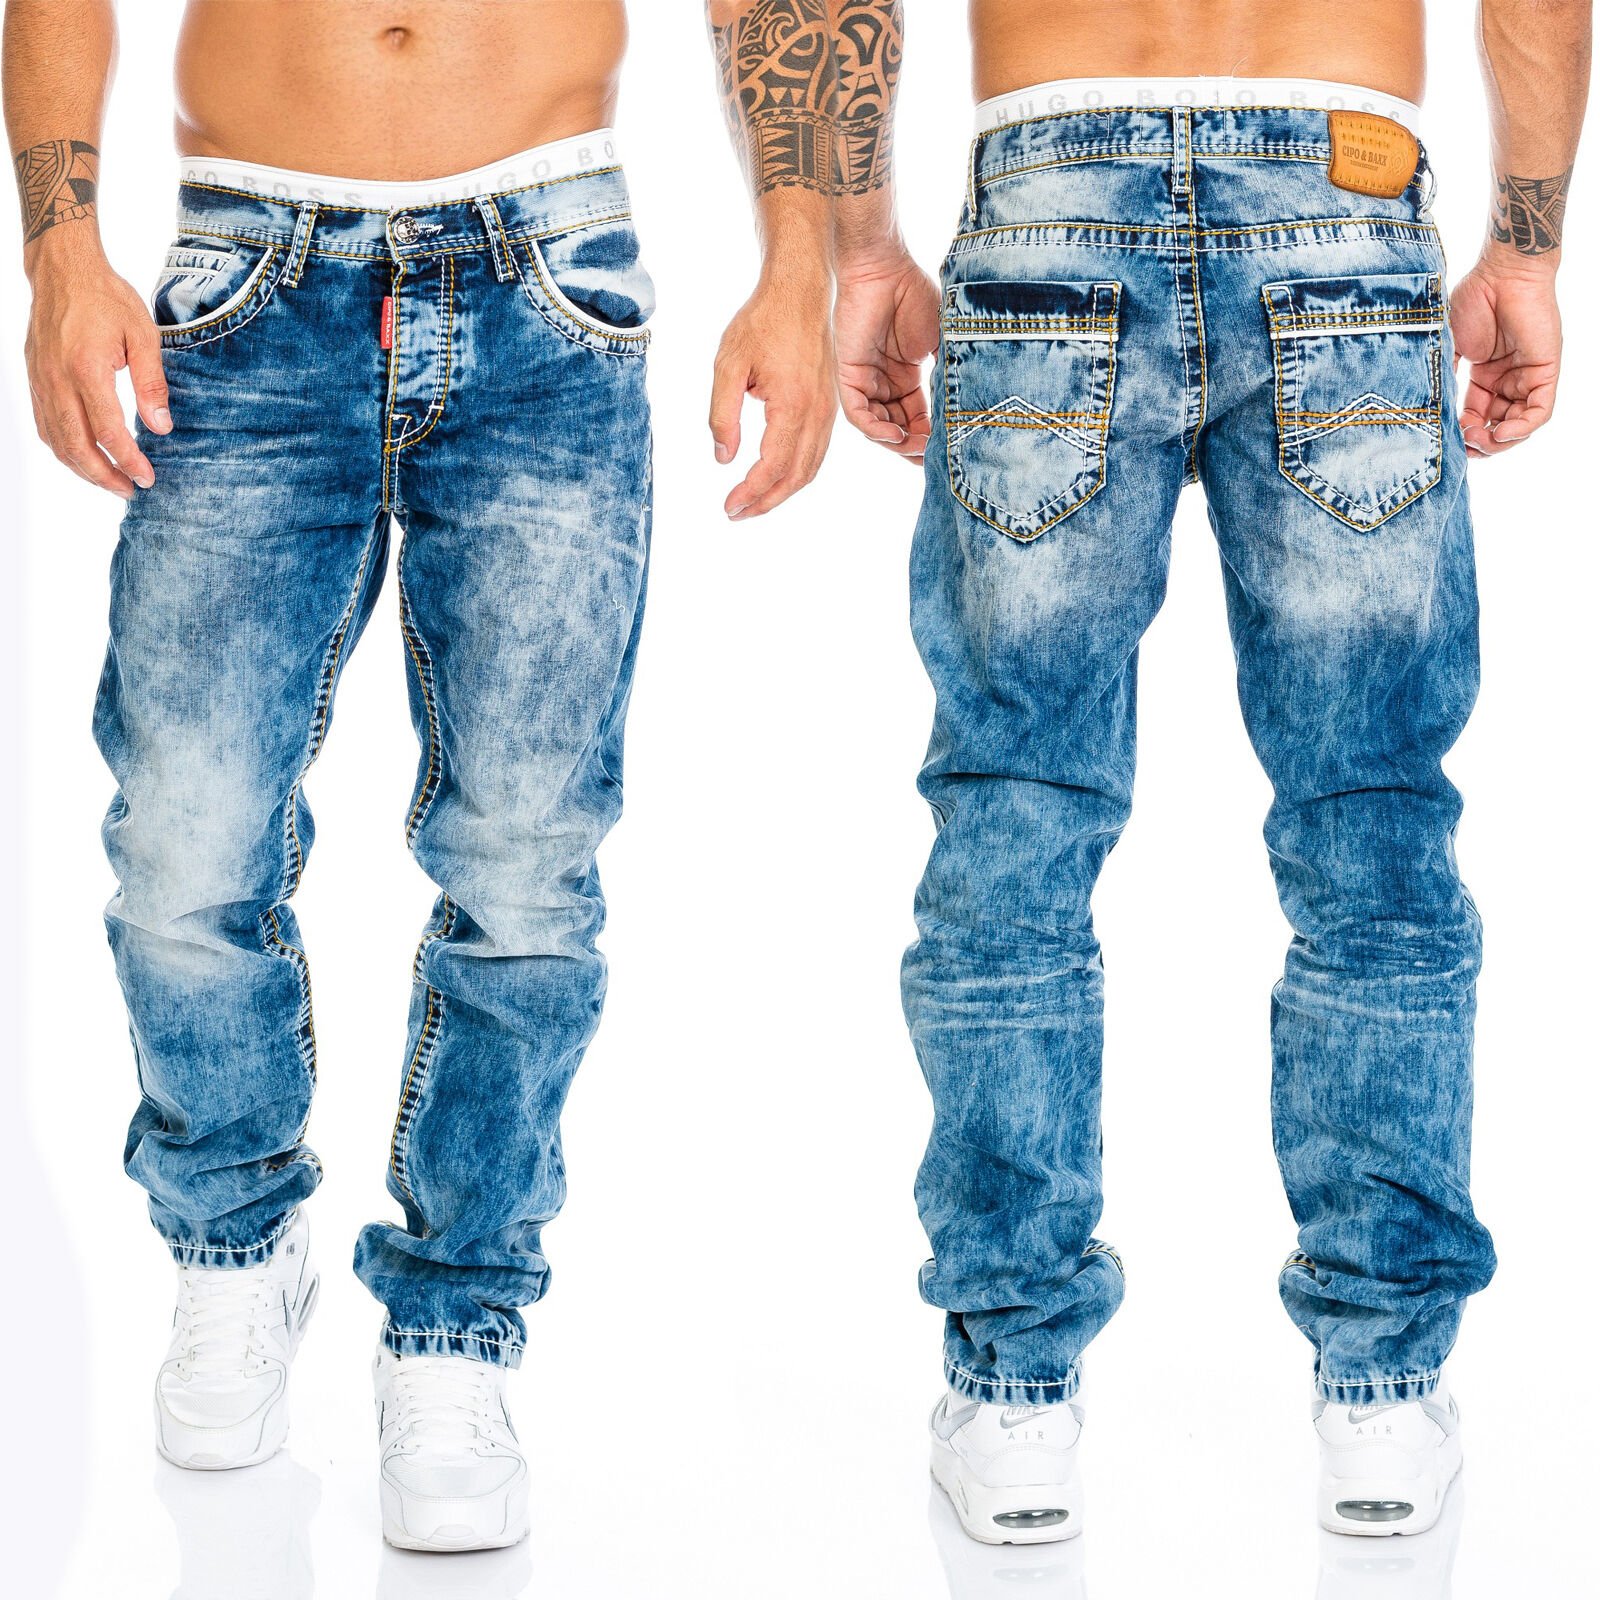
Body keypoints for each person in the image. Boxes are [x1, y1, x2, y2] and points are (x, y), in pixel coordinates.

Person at [4, 0, 832, 1553]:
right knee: (184, 841)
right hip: (247, 282)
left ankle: (455, 1327)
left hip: (547, 282)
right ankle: (232, 1246)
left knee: (525, 868)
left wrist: (801, 266)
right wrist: (60, 255)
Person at [800, 0, 1590, 1546]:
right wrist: (1529, 245)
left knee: (1013, 820)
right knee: (1372, 828)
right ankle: (1382, 1392)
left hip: (1052, 190)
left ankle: (1015, 1398)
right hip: (1341, 186)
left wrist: (865, 244)